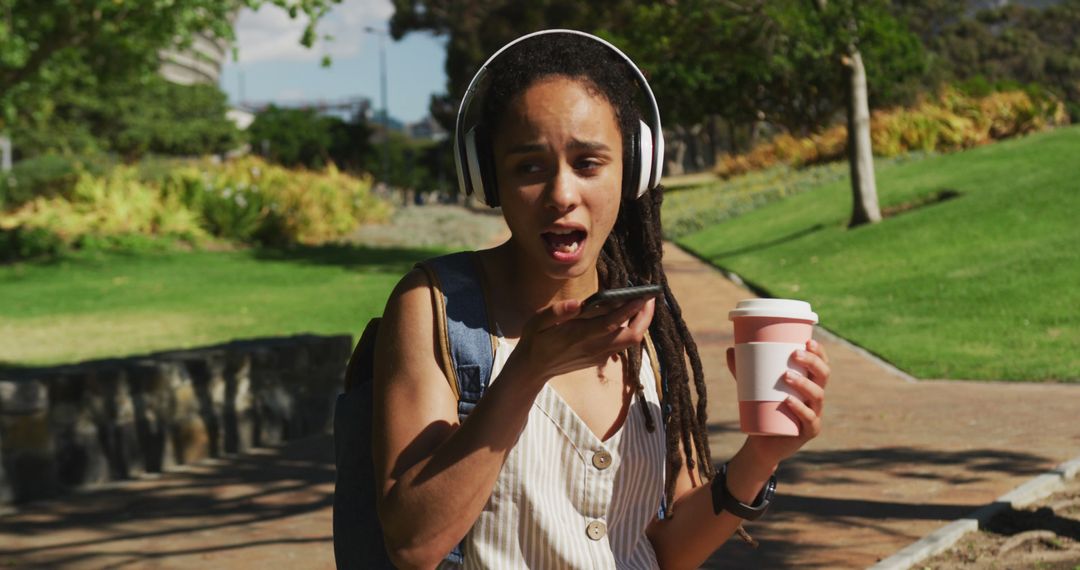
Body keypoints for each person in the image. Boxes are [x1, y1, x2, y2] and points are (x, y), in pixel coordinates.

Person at [371, 29, 830, 569]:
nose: (562, 194)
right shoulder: (437, 306)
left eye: (588, 164)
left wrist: (761, 456)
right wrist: (526, 373)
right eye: (529, 167)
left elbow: (664, 548)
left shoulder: (647, 325)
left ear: (634, 169)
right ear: (486, 177)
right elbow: (412, 543)